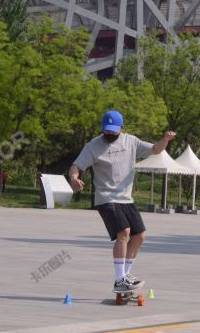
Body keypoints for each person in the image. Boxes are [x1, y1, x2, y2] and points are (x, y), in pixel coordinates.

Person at [69, 110, 176, 293]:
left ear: (122, 128)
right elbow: (76, 166)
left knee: (139, 236)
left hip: (126, 198)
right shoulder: (93, 146)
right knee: (124, 232)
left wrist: (165, 139)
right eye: (106, 131)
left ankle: (124, 277)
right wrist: (73, 178)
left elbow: (155, 150)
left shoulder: (131, 141)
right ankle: (120, 279)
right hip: (106, 198)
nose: (109, 134)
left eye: (113, 131)